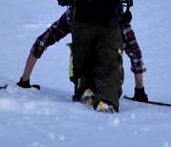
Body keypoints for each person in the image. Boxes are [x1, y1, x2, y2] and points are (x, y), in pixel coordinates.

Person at [18, 8, 147, 113]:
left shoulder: (75, 11)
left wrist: (25, 80)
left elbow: (43, 41)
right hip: (107, 72)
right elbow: (135, 54)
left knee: (80, 56)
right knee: (111, 65)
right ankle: (106, 100)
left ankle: (84, 89)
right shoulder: (117, 14)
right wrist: (139, 91)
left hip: (82, 68)